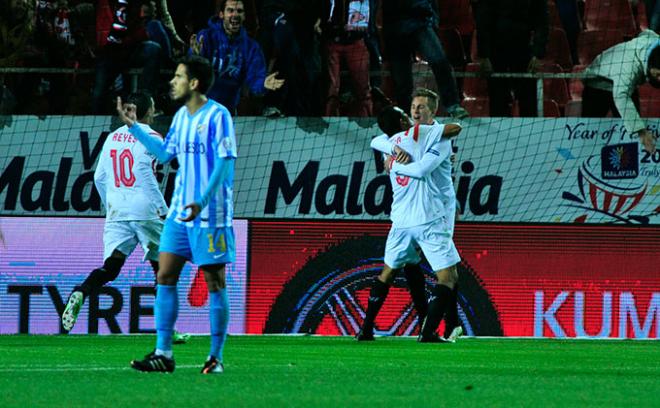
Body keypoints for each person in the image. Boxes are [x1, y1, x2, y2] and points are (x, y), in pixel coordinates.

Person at [118, 55, 237, 374]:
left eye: (179, 76)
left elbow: (225, 162)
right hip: (178, 214)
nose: (173, 81)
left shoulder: (218, 115)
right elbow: (166, 154)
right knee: (165, 276)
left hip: (210, 214)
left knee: (215, 282)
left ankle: (215, 357)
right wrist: (135, 128)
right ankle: (164, 353)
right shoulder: (181, 117)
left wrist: (203, 199)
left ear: (194, 83)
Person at [61, 92, 189, 343]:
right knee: (164, 270)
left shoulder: (111, 137)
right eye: (153, 106)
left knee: (111, 268)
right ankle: (166, 330)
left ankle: (81, 291)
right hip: (145, 210)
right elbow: (143, 171)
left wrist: (111, 206)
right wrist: (162, 209)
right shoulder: (151, 136)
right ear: (148, 111)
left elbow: (98, 177)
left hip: (117, 209)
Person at [357, 89, 462, 342]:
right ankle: (432, 329)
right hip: (429, 216)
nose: (414, 111)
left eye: (420, 107)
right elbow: (452, 131)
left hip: (405, 220)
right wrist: (396, 157)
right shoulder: (412, 136)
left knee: (393, 270)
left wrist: (392, 159)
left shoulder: (397, 141)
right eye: (412, 107)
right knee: (448, 274)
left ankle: (367, 329)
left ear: (433, 111)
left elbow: (376, 140)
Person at [190, 0, 284, 114]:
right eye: (230, 10)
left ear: (244, 16)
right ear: (221, 14)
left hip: (227, 112)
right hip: (201, 109)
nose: (235, 15)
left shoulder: (251, 47)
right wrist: (195, 57)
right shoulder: (205, 37)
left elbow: (255, 78)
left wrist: (263, 83)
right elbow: (192, 71)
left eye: (239, 11)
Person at [381, 0, 468, 119]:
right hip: (396, 27)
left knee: (439, 61)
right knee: (402, 78)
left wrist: (433, 21)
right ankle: (405, 115)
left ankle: (452, 105)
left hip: (421, 23)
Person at [582, 29, 660, 154]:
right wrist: (641, 131)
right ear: (650, 66)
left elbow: (647, 33)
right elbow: (621, 96)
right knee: (589, 134)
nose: (659, 79)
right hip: (597, 83)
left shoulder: (655, 44)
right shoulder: (629, 66)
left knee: (630, 129)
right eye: (658, 74)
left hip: (626, 84)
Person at [92, 0, 172, 113]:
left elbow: (137, 28)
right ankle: (97, 120)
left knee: (153, 49)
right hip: (107, 53)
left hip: (128, 50)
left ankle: (143, 102)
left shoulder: (134, 4)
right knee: (98, 94)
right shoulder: (103, 4)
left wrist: (135, 38)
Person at [473, 0, 549, 117]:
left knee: (528, 103)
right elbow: (483, 21)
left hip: (524, 51)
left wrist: (537, 54)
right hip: (496, 55)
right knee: (498, 103)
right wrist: (484, 56)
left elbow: (542, 22)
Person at [319, 0, 373, 116]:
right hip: (332, 41)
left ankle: (366, 123)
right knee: (331, 90)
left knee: (362, 89)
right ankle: (330, 122)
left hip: (356, 41)